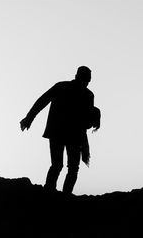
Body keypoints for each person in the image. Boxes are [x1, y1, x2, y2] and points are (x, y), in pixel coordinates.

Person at [20, 66, 100, 195]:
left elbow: (42, 101)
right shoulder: (85, 94)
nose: (86, 82)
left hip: (63, 133)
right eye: (86, 79)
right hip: (66, 133)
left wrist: (29, 118)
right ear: (79, 77)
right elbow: (43, 101)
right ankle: (58, 195)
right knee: (66, 167)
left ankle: (55, 194)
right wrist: (29, 117)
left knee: (63, 166)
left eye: (88, 80)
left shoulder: (71, 90)